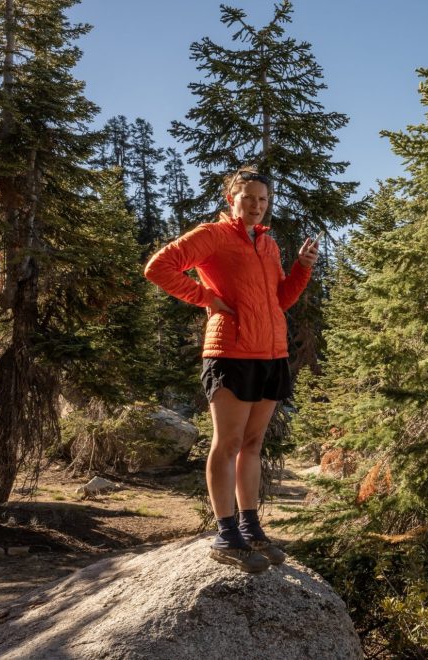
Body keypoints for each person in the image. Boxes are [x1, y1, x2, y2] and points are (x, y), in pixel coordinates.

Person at [144, 167, 319, 573]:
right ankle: (225, 534)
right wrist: (205, 297)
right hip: (230, 352)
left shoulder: (269, 245)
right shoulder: (212, 235)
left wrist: (303, 268)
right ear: (231, 198)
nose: (255, 206)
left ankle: (250, 526)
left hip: (271, 355)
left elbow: (281, 301)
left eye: (262, 199)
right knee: (228, 443)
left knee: (253, 444)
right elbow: (158, 267)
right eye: (248, 197)